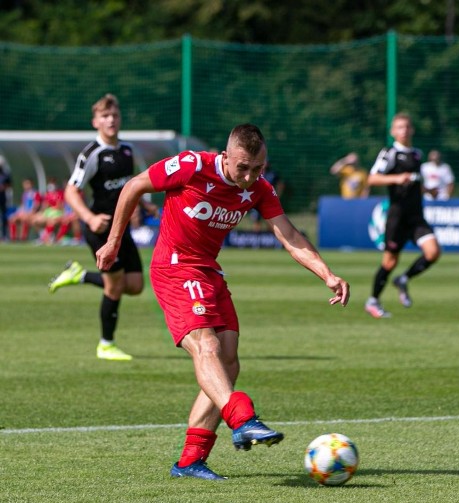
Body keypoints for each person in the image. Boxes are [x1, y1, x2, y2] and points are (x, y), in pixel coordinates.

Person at [95, 123, 350, 481]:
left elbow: (290, 235)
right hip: (174, 268)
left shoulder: (259, 188)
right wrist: (113, 242)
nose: (249, 177)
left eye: (258, 168)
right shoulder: (191, 165)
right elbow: (135, 185)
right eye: (242, 167)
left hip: (210, 273)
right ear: (226, 156)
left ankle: (190, 461)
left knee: (228, 361)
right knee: (207, 346)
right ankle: (243, 419)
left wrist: (327, 274)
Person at [47, 94, 143, 361]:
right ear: (95, 122)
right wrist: (89, 218)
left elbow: (130, 186)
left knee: (135, 285)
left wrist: (142, 206)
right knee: (114, 286)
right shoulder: (92, 154)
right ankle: (106, 344)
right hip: (101, 229)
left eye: (114, 116)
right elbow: (70, 191)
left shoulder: (127, 150)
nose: (111, 120)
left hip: (121, 227)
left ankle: (79, 275)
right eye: (105, 116)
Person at [364, 112, 441, 319]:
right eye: (399, 127)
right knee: (389, 262)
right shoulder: (390, 153)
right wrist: (397, 178)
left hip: (416, 216)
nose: (404, 130)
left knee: (433, 252)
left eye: (407, 127)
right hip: (397, 217)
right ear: (392, 131)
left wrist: (427, 190)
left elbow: (414, 183)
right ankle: (373, 301)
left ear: (412, 130)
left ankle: (404, 279)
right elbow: (372, 179)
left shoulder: (417, 154)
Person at [8, 178, 41, 242]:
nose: (26, 185)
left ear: (31, 184)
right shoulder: (24, 194)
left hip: (31, 213)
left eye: (27, 184)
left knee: (25, 219)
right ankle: (13, 239)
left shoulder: (35, 193)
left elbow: (37, 205)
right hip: (24, 213)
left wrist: (30, 212)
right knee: (12, 219)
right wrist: (19, 211)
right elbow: (23, 205)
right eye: (25, 184)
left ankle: (23, 238)